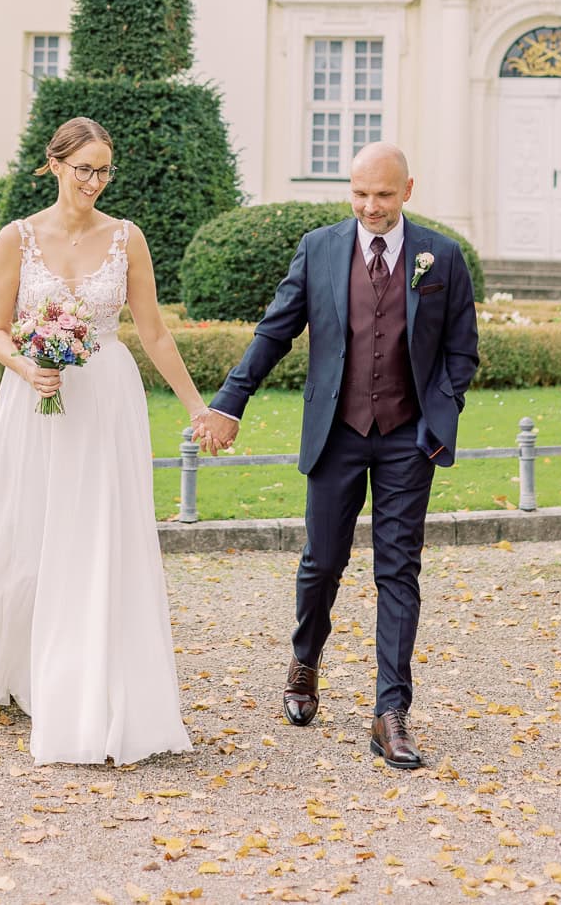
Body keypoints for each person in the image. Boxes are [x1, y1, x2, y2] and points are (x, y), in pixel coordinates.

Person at [0, 116, 212, 765]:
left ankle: (94, 685)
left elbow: (154, 332)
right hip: (35, 396)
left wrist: (197, 406)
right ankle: (18, 666)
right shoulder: (16, 238)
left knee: (99, 539)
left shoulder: (126, 238)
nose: (95, 182)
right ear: (55, 165)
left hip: (107, 398)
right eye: (85, 169)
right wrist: (27, 366)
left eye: (104, 169)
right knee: (28, 535)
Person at [193, 142, 478, 768]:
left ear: (408, 189)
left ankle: (390, 712)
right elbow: (276, 329)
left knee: (398, 570)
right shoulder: (319, 249)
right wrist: (229, 403)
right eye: (359, 194)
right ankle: (305, 659)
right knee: (322, 563)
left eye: (382, 194)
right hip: (337, 432)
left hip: (409, 438)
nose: (370, 207)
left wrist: (442, 412)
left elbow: (463, 351)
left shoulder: (444, 257)